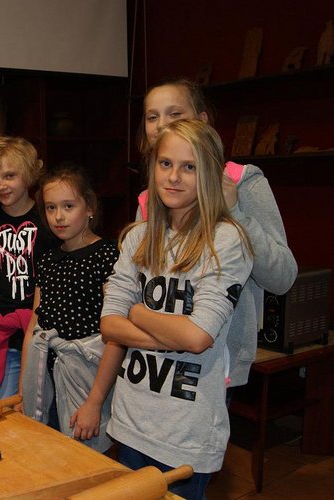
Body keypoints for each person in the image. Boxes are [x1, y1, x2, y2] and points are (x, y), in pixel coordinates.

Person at [101, 119, 254, 499]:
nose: (173, 177)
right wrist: (174, 335)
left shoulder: (225, 240)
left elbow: (198, 337)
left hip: (187, 431)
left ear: (210, 174)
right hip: (131, 420)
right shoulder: (137, 237)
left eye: (189, 167)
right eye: (166, 163)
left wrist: (137, 312)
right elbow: (109, 326)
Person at [137, 78, 297, 393]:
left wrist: (235, 212)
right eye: (152, 116)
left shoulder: (243, 182)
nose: (162, 124)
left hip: (215, 368)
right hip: (152, 359)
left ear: (202, 120)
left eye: (175, 114)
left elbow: (282, 276)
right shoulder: (148, 201)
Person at [20, 164, 120, 453]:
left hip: (88, 380)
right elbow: (34, 327)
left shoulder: (108, 255)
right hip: (47, 377)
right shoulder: (47, 260)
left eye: (68, 206)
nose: (58, 216)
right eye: (51, 208)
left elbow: (116, 336)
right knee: (51, 455)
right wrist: (24, 389)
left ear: (90, 207)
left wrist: (94, 402)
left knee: (88, 459)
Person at [0, 136, 57, 398]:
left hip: (46, 337)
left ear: (28, 174)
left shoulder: (50, 219)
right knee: (4, 409)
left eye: (9, 176)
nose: (1, 185)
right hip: (4, 341)